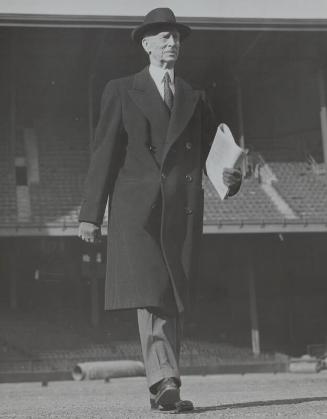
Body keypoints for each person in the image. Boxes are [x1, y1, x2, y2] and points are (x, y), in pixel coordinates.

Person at [78, 7, 242, 412]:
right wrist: (89, 214)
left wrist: (231, 176)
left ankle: (161, 387)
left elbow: (211, 156)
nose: (173, 43)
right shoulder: (120, 90)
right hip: (137, 211)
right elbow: (104, 154)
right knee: (151, 294)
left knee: (170, 296)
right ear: (146, 44)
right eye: (164, 37)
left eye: (177, 37)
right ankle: (166, 380)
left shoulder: (194, 96)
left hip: (180, 208)